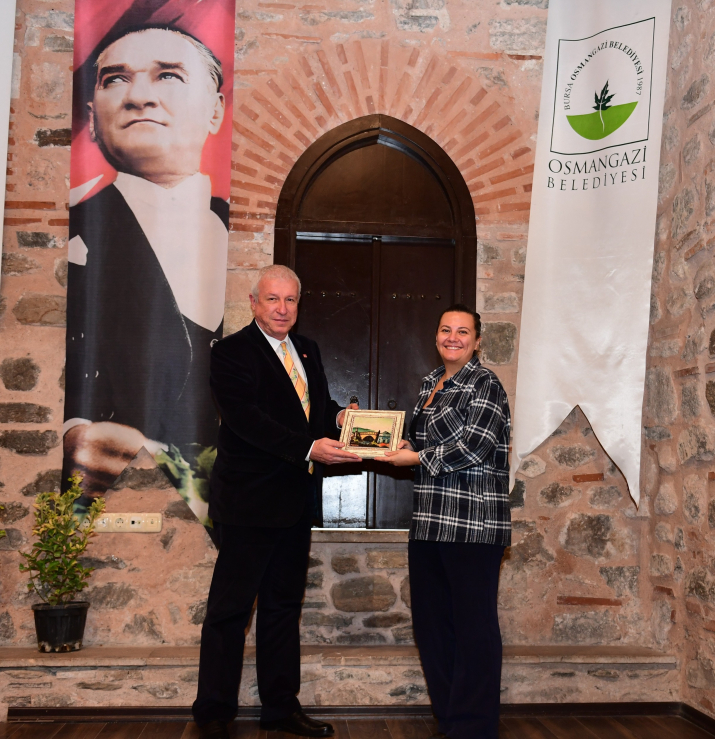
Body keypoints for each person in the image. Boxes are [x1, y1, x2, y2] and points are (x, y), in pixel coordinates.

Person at [63, 24, 229, 519]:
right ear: (92, 119)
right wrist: (76, 435)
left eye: (168, 75)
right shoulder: (75, 236)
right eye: (115, 79)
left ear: (216, 110)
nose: (138, 97)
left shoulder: (241, 229)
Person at [192, 265, 361, 739]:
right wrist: (309, 448)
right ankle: (214, 712)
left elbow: (314, 411)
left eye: (290, 300)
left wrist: (340, 418)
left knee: (283, 609)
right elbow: (246, 420)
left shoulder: (307, 349)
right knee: (229, 612)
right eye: (272, 299)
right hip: (247, 505)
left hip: (294, 504)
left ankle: (281, 708)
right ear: (253, 302)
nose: (282, 309)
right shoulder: (231, 352)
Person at [381, 304, 511, 739]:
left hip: (473, 525)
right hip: (429, 523)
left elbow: (474, 447)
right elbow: (426, 442)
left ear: (477, 341)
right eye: (445, 329)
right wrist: (404, 446)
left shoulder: (485, 384)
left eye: (463, 331)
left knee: (473, 628)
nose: (452, 337)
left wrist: (417, 457)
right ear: (436, 335)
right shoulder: (429, 384)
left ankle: (473, 728)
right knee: (432, 626)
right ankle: (451, 717)